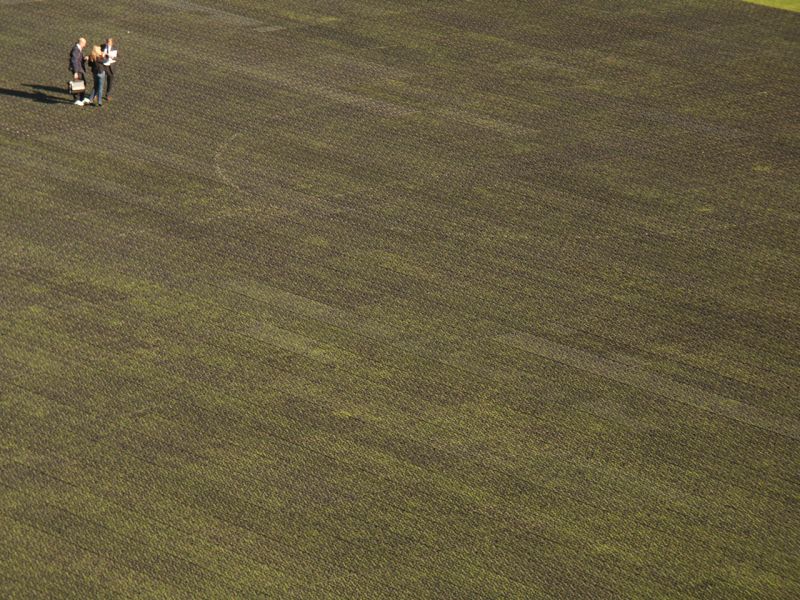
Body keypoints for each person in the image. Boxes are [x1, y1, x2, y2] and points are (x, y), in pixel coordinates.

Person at [69, 37, 88, 106]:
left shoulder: (79, 49)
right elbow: (74, 61)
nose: (85, 45)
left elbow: (79, 59)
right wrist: (75, 72)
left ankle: (81, 99)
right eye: (85, 44)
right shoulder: (76, 49)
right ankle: (76, 100)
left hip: (80, 69)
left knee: (83, 83)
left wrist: (84, 59)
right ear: (81, 43)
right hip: (78, 69)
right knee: (77, 84)